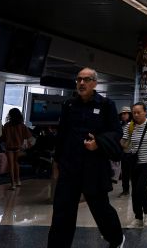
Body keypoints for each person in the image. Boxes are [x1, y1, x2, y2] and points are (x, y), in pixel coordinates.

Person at [48, 67, 124, 248]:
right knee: (62, 211)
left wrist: (98, 142)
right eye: (79, 79)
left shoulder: (106, 105)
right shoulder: (69, 105)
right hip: (69, 166)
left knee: (101, 209)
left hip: (94, 166)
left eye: (86, 79)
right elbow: (62, 135)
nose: (81, 83)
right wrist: (56, 162)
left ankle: (116, 239)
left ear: (95, 83)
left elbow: (116, 132)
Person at [1, 107, 33, 190]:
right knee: (16, 164)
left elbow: (3, 137)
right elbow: (29, 137)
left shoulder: (6, 125)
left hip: (9, 147)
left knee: (11, 165)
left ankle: (12, 184)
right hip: (18, 147)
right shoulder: (22, 125)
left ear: (10, 115)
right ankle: (18, 180)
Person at [118, 106, 132, 197]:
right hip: (124, 152)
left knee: (133, 173)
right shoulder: (121, 125)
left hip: (132, 152)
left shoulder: (133, 125)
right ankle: (125, 190)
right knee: (125, 172)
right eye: (122, 114)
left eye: (125, 113)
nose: (123, 115)